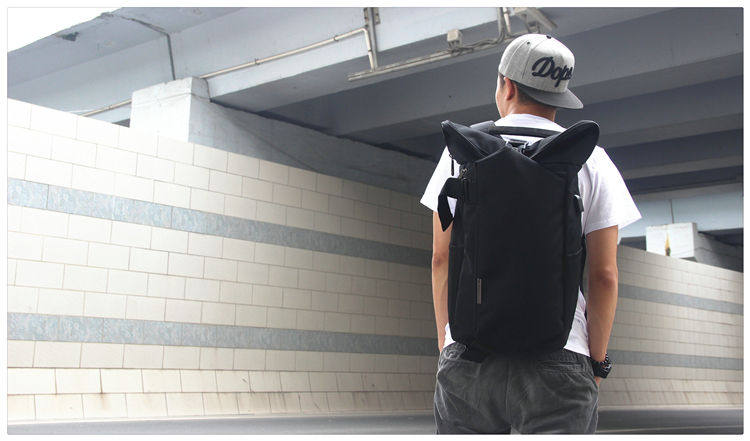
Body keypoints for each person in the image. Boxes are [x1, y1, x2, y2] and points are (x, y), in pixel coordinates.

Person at [419, 33, 642, 434]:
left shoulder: (461, 152)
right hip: (560, 355)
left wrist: (446, 342)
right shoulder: (591, 159)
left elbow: (441, 258)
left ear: (506, 85)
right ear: (560, 95)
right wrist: (596, 360)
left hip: (469, 355)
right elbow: (604, 275)